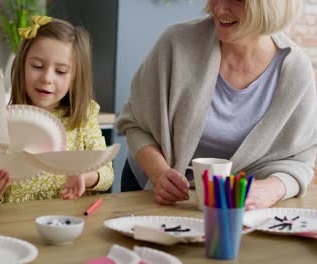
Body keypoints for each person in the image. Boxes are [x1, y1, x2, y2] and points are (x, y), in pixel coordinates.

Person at [117, 0, 316, 210]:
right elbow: (134, 123)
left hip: (236, 208)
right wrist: (159, 174)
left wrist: (270, 189)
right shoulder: (176, 44)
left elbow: (300, 161)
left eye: (236, 1)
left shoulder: (296, 71)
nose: (220, 9)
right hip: (153, 192)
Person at [0, 16, 114, 205]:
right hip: (16, 225)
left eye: (61, 71)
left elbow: (107, 174)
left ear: (75, 77)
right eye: (37, 66)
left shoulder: (84, 116)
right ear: (22, 65)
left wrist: (84, 175)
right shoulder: (3, 121)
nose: (47, 78)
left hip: (70, 223)